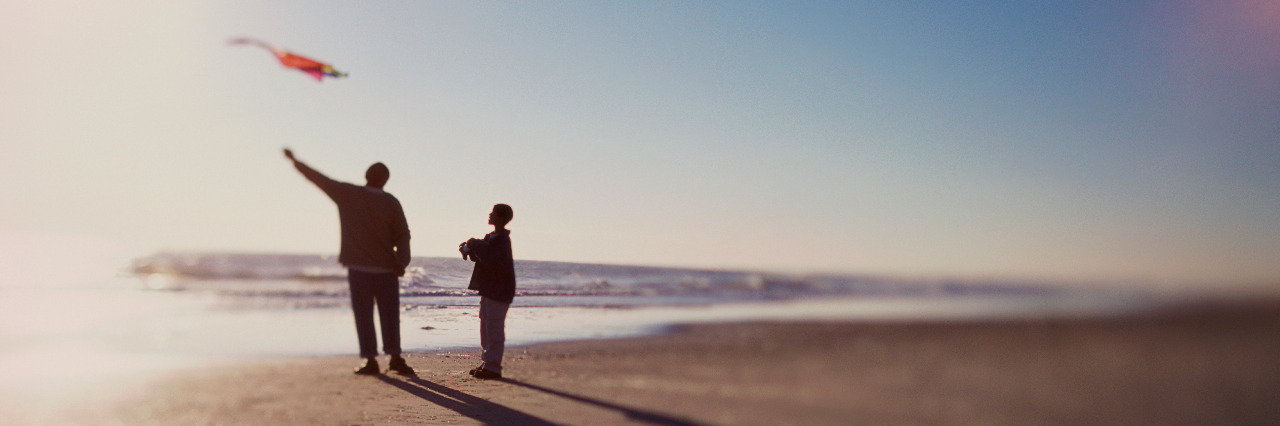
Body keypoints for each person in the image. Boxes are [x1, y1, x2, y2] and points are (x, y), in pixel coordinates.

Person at [283, 148, 415, 376]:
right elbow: (403, 234)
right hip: (385, 269)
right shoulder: (390, 201)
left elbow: (319, 179)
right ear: (385, 180)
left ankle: (372, 360)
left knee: (364, 315)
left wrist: (296, 162)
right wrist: (401, 262)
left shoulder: (349, 193)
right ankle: (393, 357)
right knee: (389, 315)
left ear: (366, 176)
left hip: (363, 269)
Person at [459, 204, 516, 379]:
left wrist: (474, 243)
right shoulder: (492, 238)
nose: (490, 215)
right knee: (486, 324)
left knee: (494, 327)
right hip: (490, 289)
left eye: (493, 213)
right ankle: (487, 362)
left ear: (500, 217)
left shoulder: (502, 240)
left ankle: (493, 366)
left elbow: (492, 257)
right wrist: (468, 249)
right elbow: (482, 256)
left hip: (499, 290)